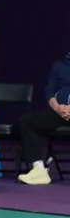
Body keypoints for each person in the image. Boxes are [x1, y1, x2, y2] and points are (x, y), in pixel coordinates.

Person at [17, 53, 70, 185]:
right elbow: (50, 92)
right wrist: (58, 108)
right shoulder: (59, 65)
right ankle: (39, 170)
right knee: (27, 120)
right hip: (61, 113)